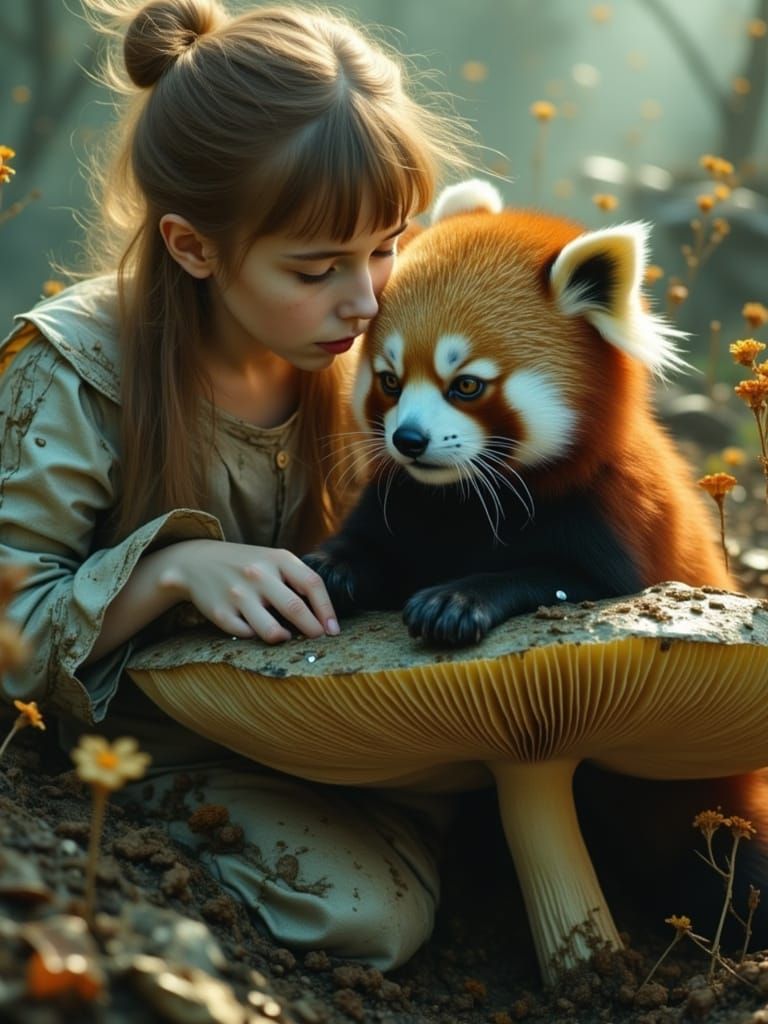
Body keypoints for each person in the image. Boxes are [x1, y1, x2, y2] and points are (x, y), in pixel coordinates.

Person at [0, 0, 475, 969]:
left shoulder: (362, 346)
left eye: (388, 246)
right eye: (319, 267)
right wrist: (172, 573)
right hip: (154, 744)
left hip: (333, 725)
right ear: (193, 246)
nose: (368, 297)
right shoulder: (76, 371)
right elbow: (8, 637)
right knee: (368, 915)